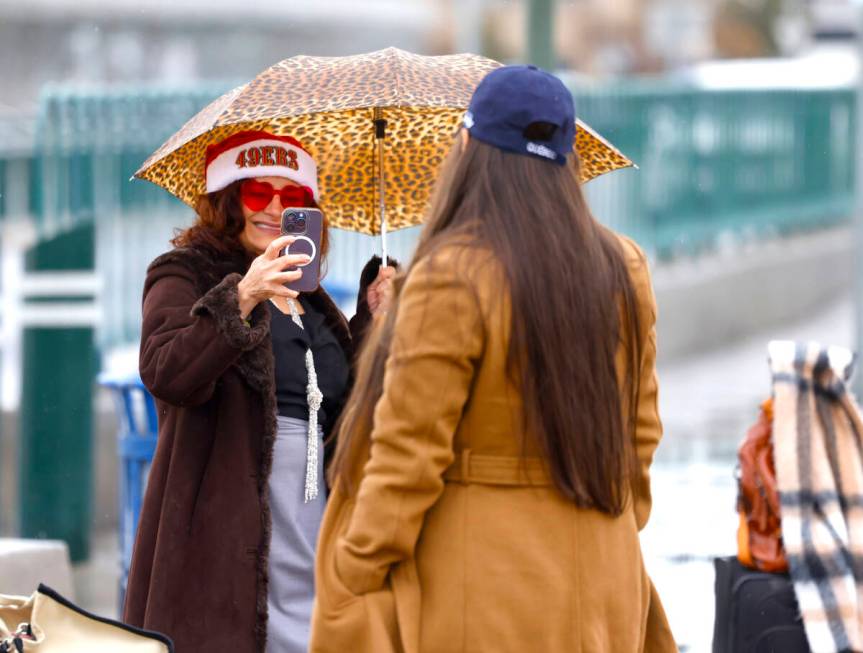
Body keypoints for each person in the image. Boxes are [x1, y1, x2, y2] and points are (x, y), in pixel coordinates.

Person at [309, 66, 677, 652]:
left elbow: (408, 457)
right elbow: (641, 433)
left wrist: (354, 569)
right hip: (607, 577)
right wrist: (611, 526)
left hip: (483, 584)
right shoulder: (622, 266)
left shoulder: (453, 274)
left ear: (466, 148)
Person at [123, 130, 395, 652]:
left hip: (315, 525)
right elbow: (166, 371)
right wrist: (242, 295)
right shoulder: (183, 273)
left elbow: (342, 399)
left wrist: (372, 319)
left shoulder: (309, 297)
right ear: (227, 201)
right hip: (227, 530)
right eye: (256, 193)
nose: (274, 208)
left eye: (293, 199)